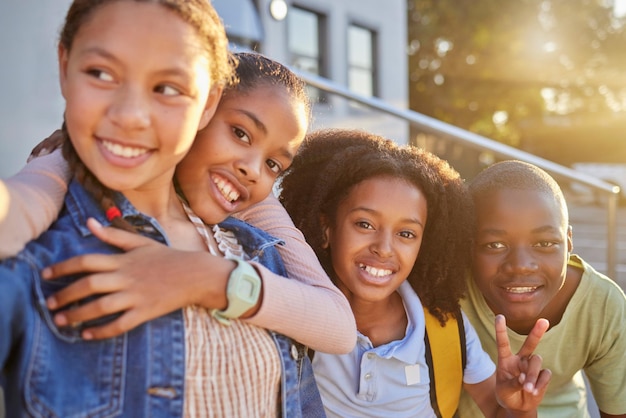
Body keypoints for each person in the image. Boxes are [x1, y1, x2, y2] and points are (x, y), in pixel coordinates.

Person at [0, 1, 329, 416]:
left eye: (168, 88)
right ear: (64, 66)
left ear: (206, 104)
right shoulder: (42, 258)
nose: (131, 116)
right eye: (101, 74)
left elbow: (336, 327)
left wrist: (208, 278)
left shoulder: (259, 250)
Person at [3, 51, 355, 354]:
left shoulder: (253, 204)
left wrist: (208, 278)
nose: (252, 169)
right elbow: (22, 208)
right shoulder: (76, 156)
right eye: (241, 133)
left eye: (273, 164)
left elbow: (338, 327)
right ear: (198, 114)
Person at [278, 129, 551, 418]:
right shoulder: (298, 313)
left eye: (406, 233)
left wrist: (520, 408)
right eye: (365, 224)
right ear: (326, 229)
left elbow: (499, 413)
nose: (384, 249)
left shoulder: (444, 329)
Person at [457, 160, 626, 418]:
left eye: (545, 242)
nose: (521, 266)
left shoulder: (604, 305)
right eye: (495, 245)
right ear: (469, 247)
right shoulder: (447, 294)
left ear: (569, 242)